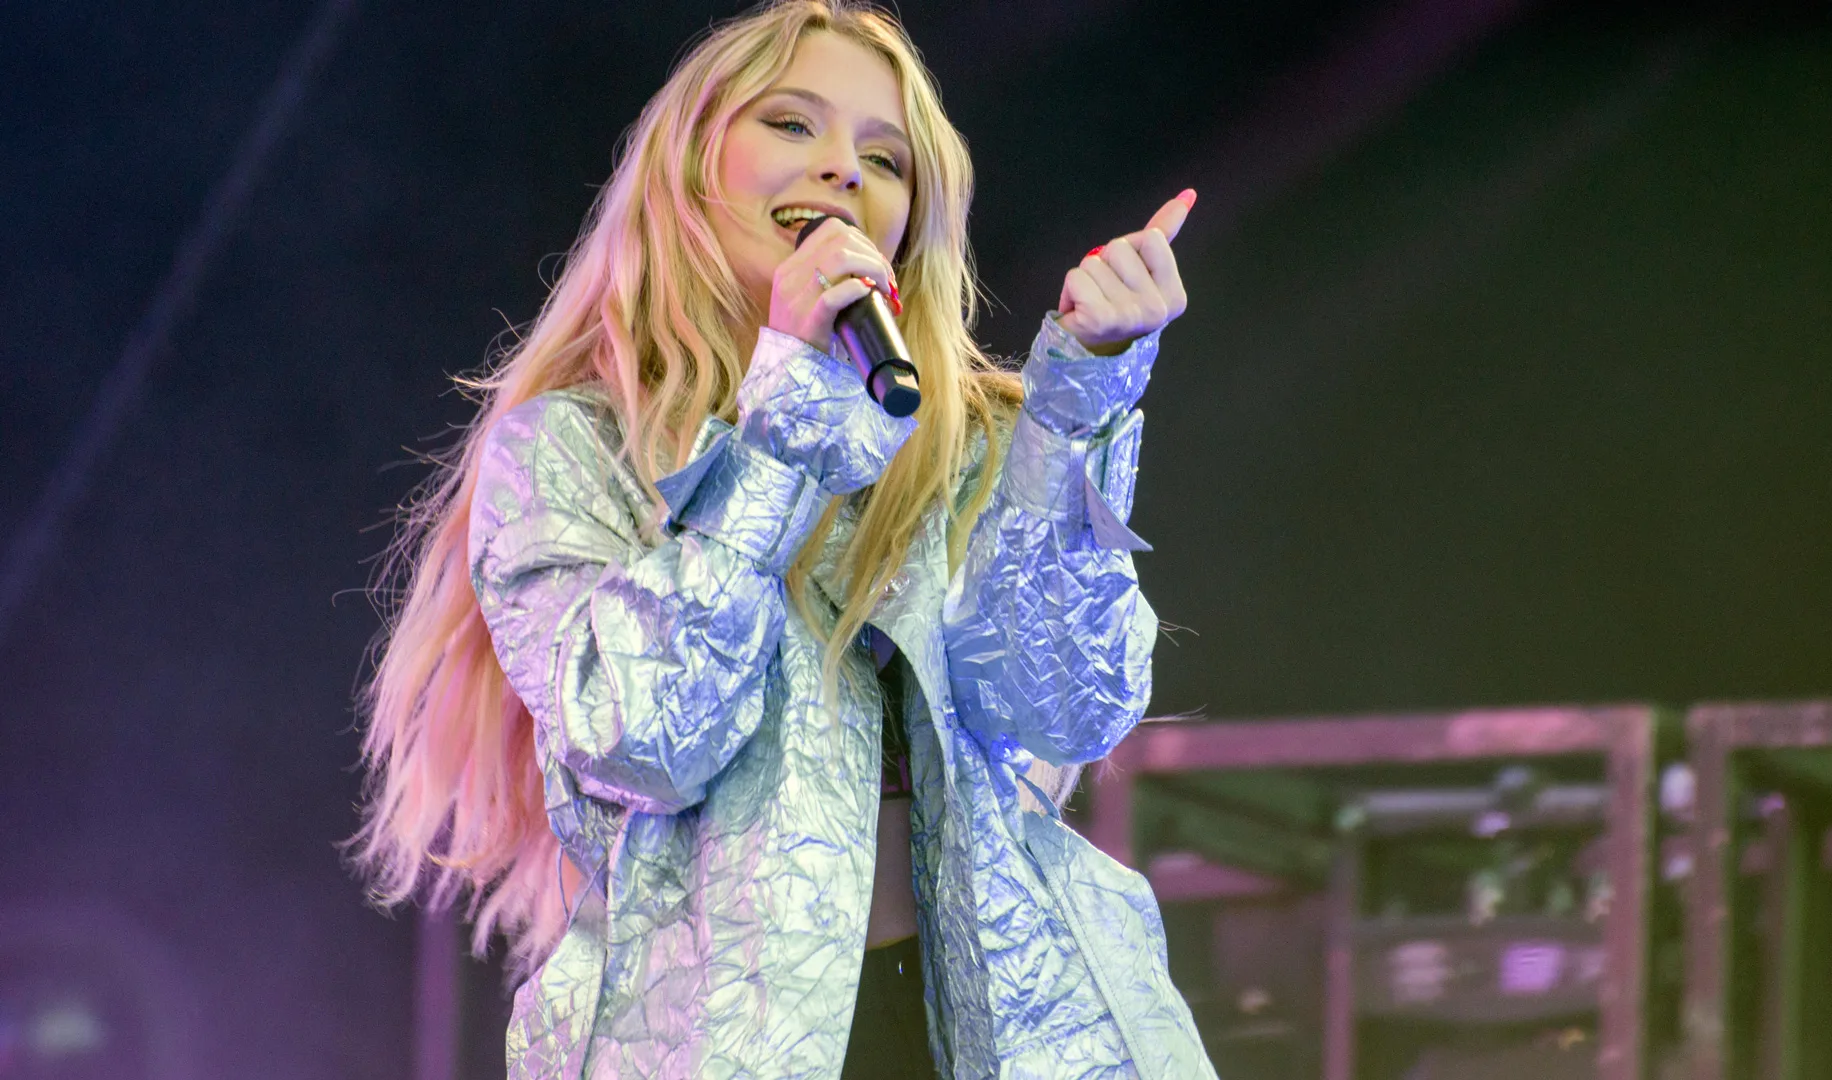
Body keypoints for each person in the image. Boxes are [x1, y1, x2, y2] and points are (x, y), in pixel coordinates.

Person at [353, 2, 1213, 1076]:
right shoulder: (573, 449)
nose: (844, 169)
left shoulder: (974, 442)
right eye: (793, 123)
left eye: (884, 158)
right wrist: (787, 413)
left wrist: (1085, 392)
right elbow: (640, 736)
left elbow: (1067, 709)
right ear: (691, 163)